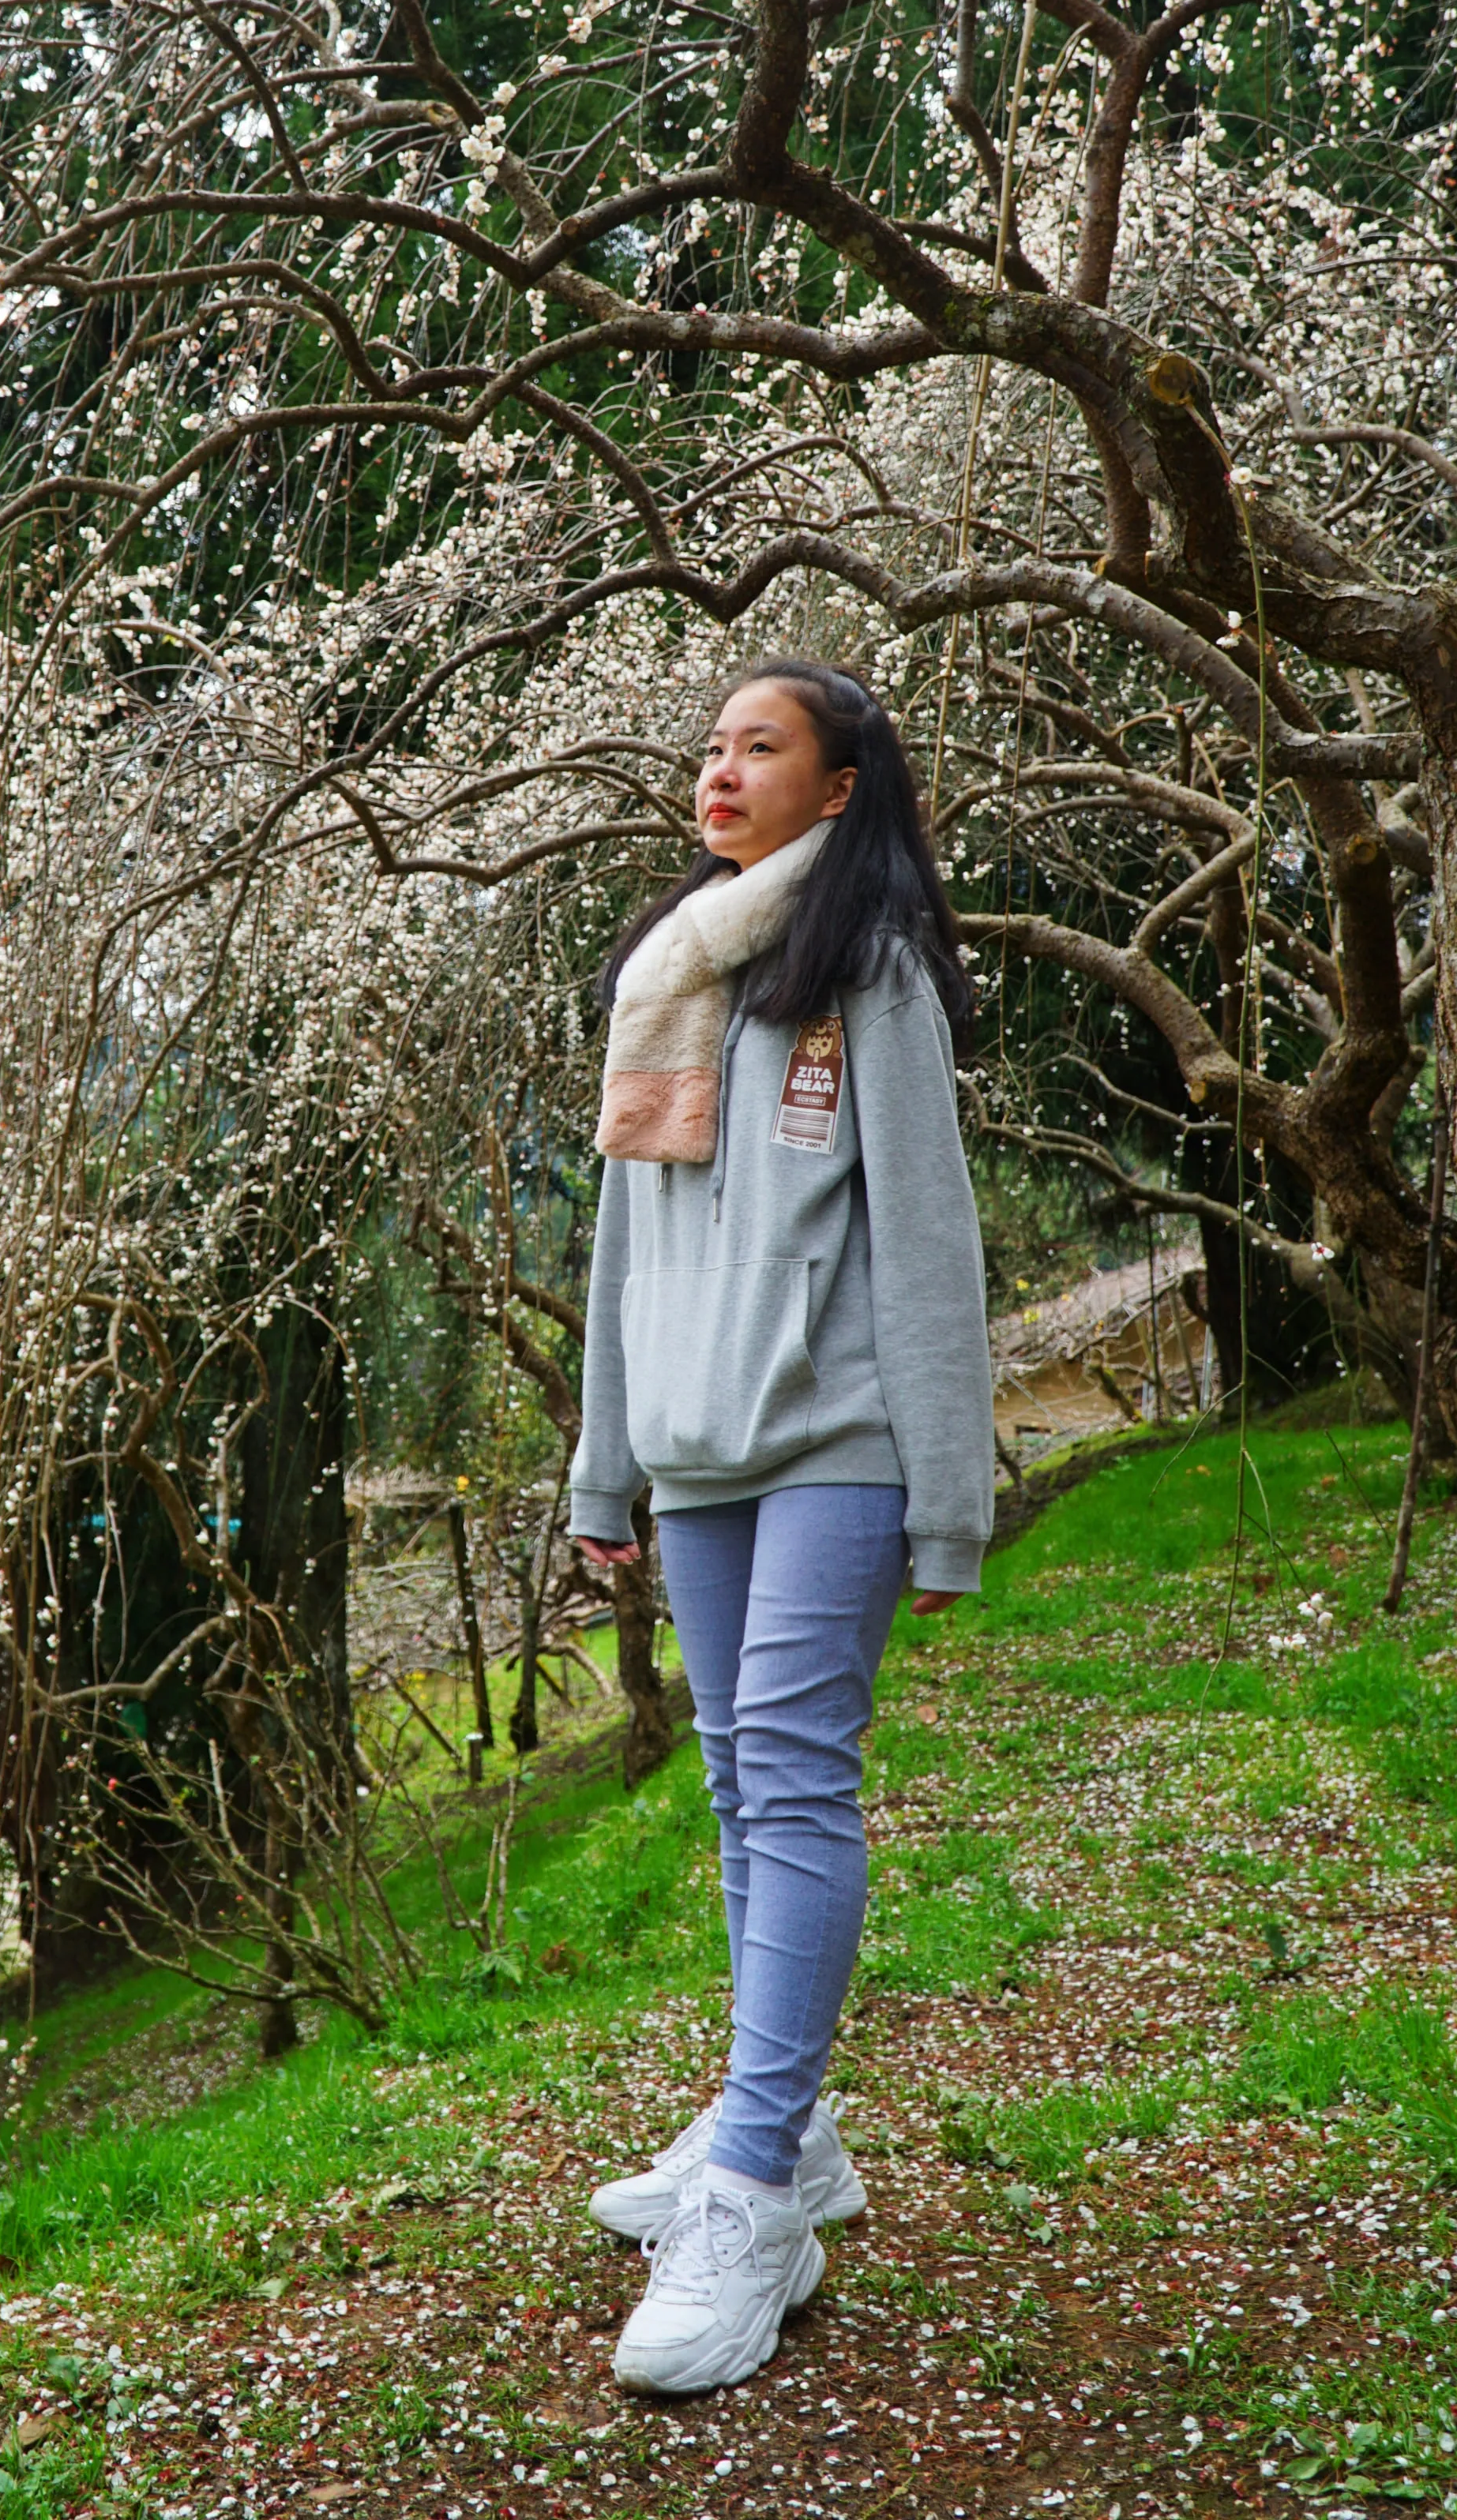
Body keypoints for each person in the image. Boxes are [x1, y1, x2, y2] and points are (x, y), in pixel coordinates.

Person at [569, 658, 995, 2396]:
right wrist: (607, 1469)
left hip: (837, 1441)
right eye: (712, 745)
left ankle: (750, 2183)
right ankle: (788, 2134)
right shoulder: (668, 975)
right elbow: (625, 1250)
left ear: (838, 790)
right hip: (694, 1450)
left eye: (763, 746)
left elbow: (929, 1242)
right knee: (739, 1773)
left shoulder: (864, 973)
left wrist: (949, 1494)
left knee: (799, 1766)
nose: (721, 768)